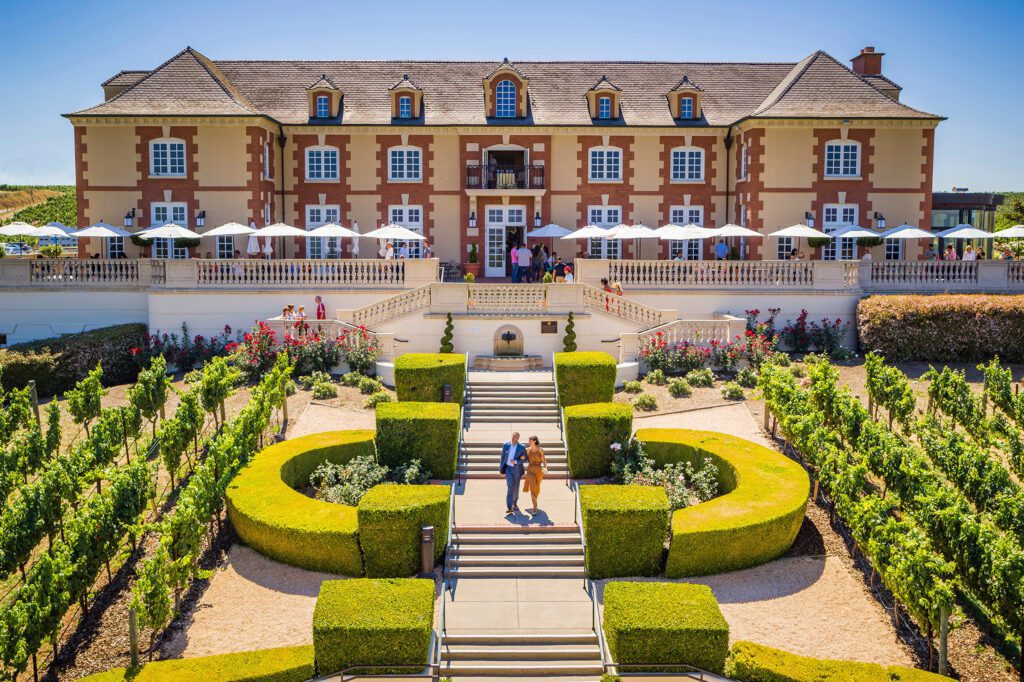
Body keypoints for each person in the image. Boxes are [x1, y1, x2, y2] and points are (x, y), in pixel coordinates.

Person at [499, 432, 528, 515]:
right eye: (513, 436)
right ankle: (509, 507)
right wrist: (501, 468)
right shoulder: (506, 445)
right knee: (510, 487)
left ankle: (514, 503)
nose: (514, 438)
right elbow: (502, 457)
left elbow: (525, 459)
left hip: (517, 469)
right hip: (508, 469)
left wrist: (516, 461)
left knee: (516, 487)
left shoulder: (521, 447)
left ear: (518, 438)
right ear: (511, 436)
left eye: (516, 437)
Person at [522, 436, 547, 513]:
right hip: (530, 470)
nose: (529, 442)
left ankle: (535, 503)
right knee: (533, 487)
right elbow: (524, 458)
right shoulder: (527, 450)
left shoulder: (540, 450)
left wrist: (546, 468)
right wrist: (522, 458)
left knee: (537, 488)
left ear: (535, 441)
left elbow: (544, 460)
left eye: (530, 440)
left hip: (539, 471)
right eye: (529, 440)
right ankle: (535, 508)